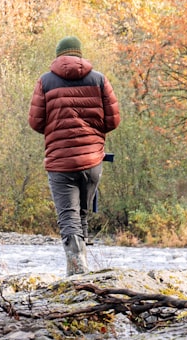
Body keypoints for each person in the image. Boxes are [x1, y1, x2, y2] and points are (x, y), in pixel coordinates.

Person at [28, 36, 120, 275]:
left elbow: (36, 123)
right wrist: (92, 135)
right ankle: (84, 266)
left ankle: (77, 269)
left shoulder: (45, 82)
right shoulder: (99, 79)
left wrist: (57, 130)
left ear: (59, 55)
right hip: (92, 160)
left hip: (61, 161)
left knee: (69, 216)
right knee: (81, 212)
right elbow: (113, 120)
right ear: (79, 55)